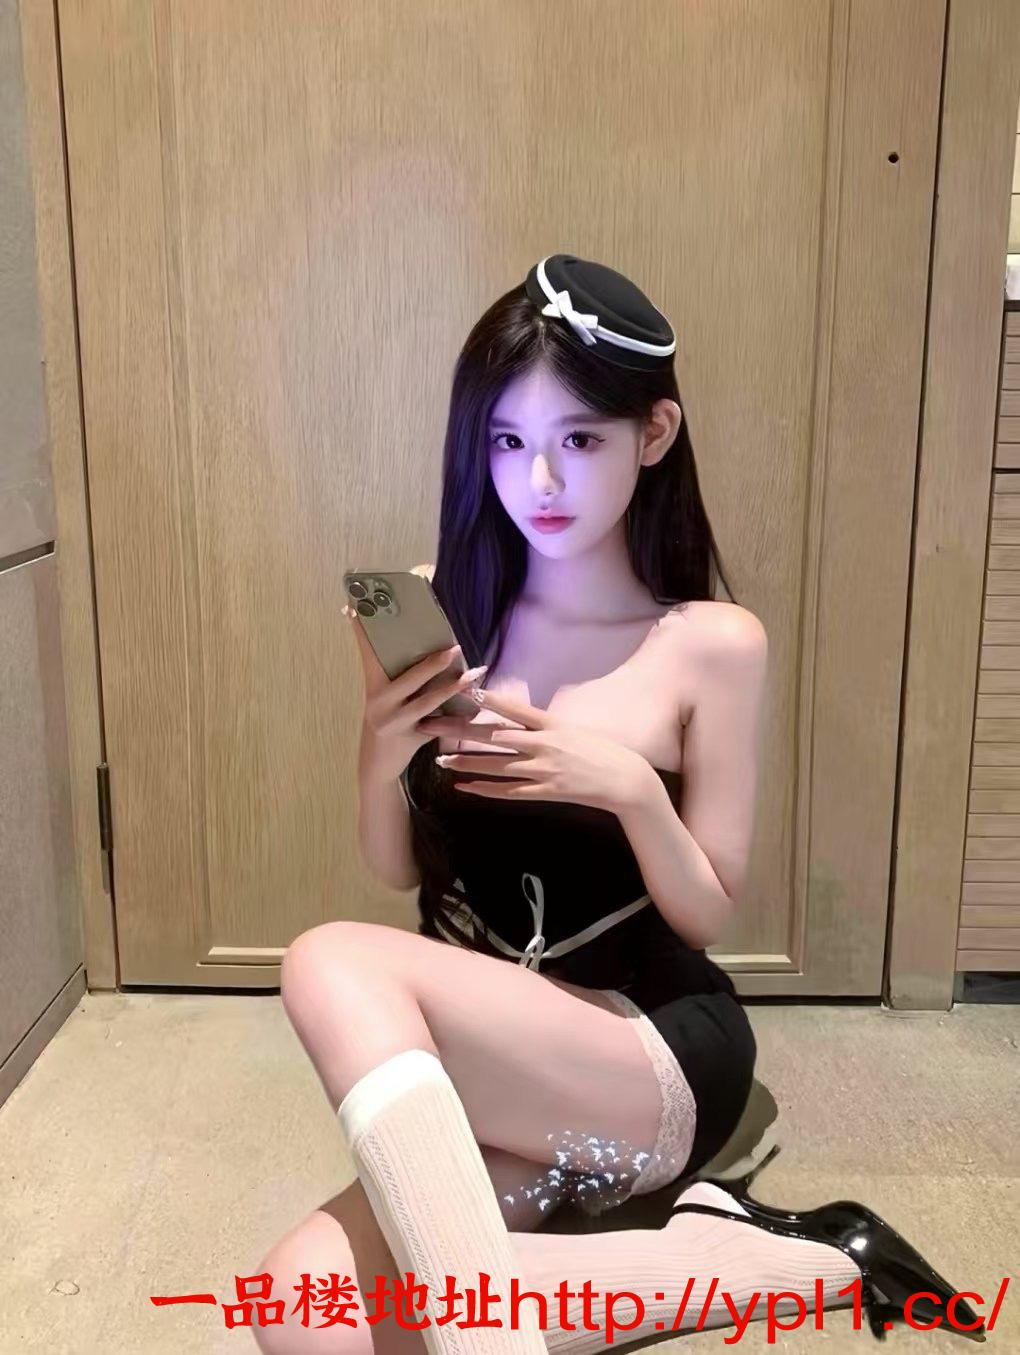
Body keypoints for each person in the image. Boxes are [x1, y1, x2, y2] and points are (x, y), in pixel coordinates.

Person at [256, 255, 983, 1353]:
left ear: (653, 433)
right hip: (509, 1064)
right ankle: (794, 1260)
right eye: (507, 442)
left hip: (650, 1052)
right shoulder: (447, 611)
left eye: (580, 440)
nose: (539, 480)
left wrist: (631, 789)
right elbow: (396, 869)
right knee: (297, 1308)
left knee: (326, 958)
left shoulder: (710, 645)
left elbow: (707, 911)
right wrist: (381, 743)